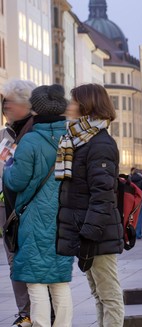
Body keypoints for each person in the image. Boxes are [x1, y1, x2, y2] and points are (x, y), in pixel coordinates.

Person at [3, 84, 74, 327]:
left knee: (35, 282)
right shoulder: (71, 138)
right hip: (64, 217)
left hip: (34, 218)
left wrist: (7, 167)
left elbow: (17, 180)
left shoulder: (31, 141)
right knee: (60, 282)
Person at [55, 83, 124, 326]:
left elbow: (103, 194)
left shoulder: (99, 144)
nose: (69, 105)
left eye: (73, 101)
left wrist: (89, 235)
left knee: (109, 295)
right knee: (98, 295)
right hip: (87, 230)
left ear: (86, 105)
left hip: (97, 233)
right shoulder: (78, 140)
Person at [0, 78, 36, 327]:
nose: (5, 107)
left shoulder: (33, 132)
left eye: (9, 102)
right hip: (5, 209)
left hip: (27, 206)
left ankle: (40, 310)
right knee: (14, 260)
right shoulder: (4, 134)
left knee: (29, 260)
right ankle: (25, 312)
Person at [129, 167, 142, 239]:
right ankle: (138, 234)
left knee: (132, 217)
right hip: (140, 200)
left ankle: (131, 233)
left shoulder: (130, 179)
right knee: (139, 218)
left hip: (131, 200)